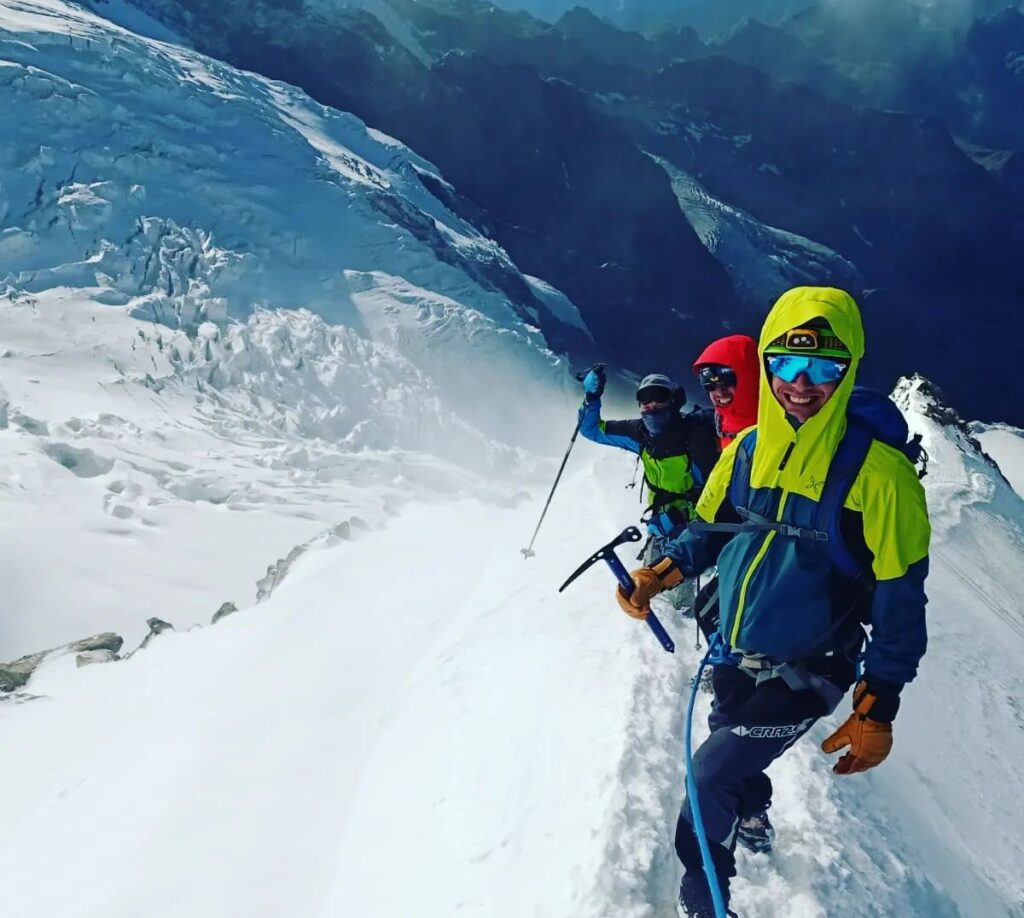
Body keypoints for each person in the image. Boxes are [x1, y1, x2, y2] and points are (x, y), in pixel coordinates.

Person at [613, 287, 930, 917]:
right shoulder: (747, 449)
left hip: (812, 668)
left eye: (822, 366)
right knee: (727, 747)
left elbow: (901, 598)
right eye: (785, 363)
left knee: (708, 775)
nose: (800, 384)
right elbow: (709, 532)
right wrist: (660, 574)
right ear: (766, 367)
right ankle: (752, 813)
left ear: (848, 369)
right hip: (735, 648)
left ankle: (704, 901)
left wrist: (879, 703)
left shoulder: (881, 476)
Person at [578, 369, 719, 610]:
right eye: (645, 399)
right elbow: (591, 430)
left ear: (672, 400)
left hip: (694, 529)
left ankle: (687, 615)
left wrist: (681, 518)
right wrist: (591, 399)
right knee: (649, 586)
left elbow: (713, 492)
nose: (652, 405)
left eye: (659, 396)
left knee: (677, 598)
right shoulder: (640, 434)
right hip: (660, 523)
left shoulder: (695, 437)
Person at [692, 335, 759, 450]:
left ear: (749, 378)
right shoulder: (719, 425)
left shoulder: (778, 422)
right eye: (710, 385)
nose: (719, 392)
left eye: (727, 381)